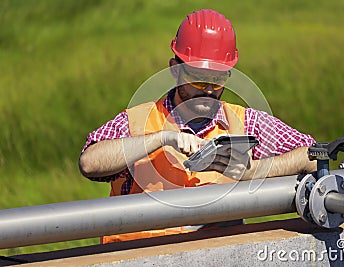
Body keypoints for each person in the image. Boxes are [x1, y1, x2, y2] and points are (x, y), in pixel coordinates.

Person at [79, 9, 317, 243]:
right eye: (199, 80)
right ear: (175, 69)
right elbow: (90, 163)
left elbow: (314, 155)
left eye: (219, 79)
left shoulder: (245, 122)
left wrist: (252, 171)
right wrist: (160, 138)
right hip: (134, 258)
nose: (210, 90)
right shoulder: (137, 121)